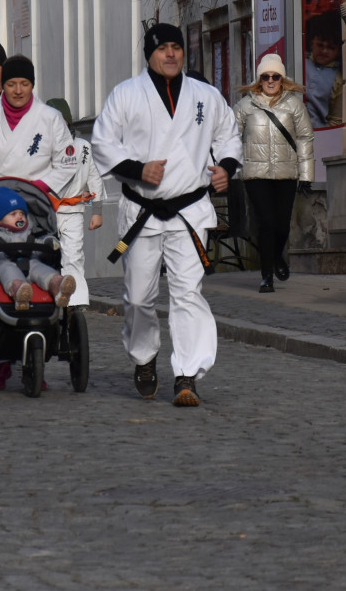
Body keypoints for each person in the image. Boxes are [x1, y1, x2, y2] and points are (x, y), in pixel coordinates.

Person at [91, 22, 242, 407]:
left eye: (176, 47)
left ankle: (187, 374)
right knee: (140, 298)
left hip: (189, 210)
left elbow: (228, 133)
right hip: (143, 210)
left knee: (187, 293)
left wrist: (226, 166)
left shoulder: (206, 95)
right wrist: (138, 169)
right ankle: (144, 358)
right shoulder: (125, 95)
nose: (171, 54)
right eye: (163, 48)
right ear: (150, 54)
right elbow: (103, 143)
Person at [232, 54, 315, 293]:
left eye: (275, 76)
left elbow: (305, 138)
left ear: (282, 78)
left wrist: (307, 175)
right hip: (255, 174)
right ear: (259, 79)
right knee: (266, 223)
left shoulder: (294, 105)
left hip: (286, 173)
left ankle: (277, 257)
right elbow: (230, 139)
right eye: (266, 76)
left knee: (281, 227)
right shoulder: (245, 106)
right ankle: (266, 276)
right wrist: (234, 170)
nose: (270, 80)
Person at [0, 55, 78, 193]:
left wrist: (36, 187)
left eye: (24, 84)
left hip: (36, 200)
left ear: (32, 84)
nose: (18, 91)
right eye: (11, 84)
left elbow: (67, 165)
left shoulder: (50, 117)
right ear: (3, 85)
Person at [47, 97, 105, 308]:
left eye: (59, 120)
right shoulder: (41, 147)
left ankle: (76, 302)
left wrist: (96, 211)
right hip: (46, 212)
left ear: (68, 121)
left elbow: (93, 178)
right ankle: (47, 297)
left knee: (73, 256)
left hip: (72, 211)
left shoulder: (83, 147)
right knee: (45, 255)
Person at [0, 188, 76, 310]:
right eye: (13, 214)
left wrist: (49, 242)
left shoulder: (29, 234)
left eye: (22, 213)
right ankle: (18, 290)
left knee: (41, 269)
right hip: (2, 266)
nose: (20, 217)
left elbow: (40, 242)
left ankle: (56, 284)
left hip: (30, 263)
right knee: (8, 269)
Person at [303, 11, 344, 128]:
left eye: (331, 48)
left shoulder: (338, 79)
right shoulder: (301, 63)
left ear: (338, 51)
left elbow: (337, 119)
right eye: (320, 45)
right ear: (312, 43)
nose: (324, 51)